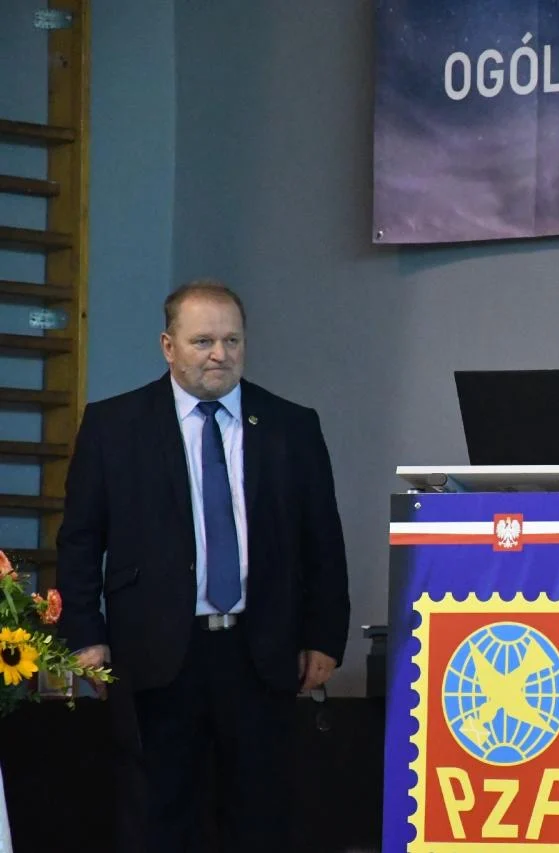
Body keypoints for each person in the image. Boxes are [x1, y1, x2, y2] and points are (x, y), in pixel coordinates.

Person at [57, 279, 351, 853]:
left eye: (232, 340)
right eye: (203, 341)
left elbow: (323, 540)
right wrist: (87, 637)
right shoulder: (114, 425)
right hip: (158, 654)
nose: (220, 354)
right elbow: (80, 541)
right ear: (168, 347)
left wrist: (324, 636)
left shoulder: (291, 425)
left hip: (260, 652)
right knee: (158, 817)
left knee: (260, 818)